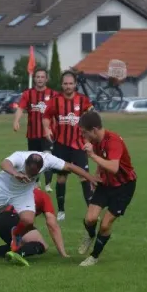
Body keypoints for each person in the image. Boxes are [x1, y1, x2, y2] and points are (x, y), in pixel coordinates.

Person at [0, 151, 99, 255]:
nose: (30, 174)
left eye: (34, 172)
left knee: (27, 220)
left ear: (40, 168)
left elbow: (70, 167)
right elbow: (4, 163)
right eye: (28, 171)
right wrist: (15, 173)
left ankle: (16, 234)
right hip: (2, 189)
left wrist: (90, 178)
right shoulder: (19, 157)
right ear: (26, 164)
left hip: (23, 193)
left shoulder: (47, 160)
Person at [76, 111, 137, 267]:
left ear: (94, 130)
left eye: (85, 132)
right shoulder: (96, 141)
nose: (84, 136)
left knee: (105, 224)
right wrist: (95, 177)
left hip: (124, 187)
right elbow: (102, 162)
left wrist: (91, 156)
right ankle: (89, 235)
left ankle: (94, 256)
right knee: (90, 219)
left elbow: (114, 167)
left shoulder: (113, 141)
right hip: (105, 184)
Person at [0, 187, 69, 266]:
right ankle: (18, 253)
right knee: (42, 245)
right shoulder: (42, 195)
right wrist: (63, 253)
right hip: (16, 221)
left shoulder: (15, 191)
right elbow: (52, 225)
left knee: (16, 244)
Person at [42, 71, 94, 221]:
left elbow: (93, 117)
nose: (68, 86)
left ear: (75, 84)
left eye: (71, 83)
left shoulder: (83, 100)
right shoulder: (55, 101)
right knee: (61, 178)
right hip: (61, 145)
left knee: (84, 177)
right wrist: (47, 128)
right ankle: (61, 210)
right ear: (62, 84)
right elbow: (46, 116)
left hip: (78, 146)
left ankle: (90, 210)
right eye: (65, 83)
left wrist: (90, 138)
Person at [13, 68, 59, 192]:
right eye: (38, 77)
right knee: (34, 159)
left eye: (42, 77)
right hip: (33, 133)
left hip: (48, 133)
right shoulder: (28, 94)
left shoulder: (54, 94)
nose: (40, 79)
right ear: (34, 79)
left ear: (46, 79)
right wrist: (16, 121)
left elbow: (59, 112)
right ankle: (36, 183)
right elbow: (20, 108)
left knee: (48, 157)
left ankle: (48, 184)